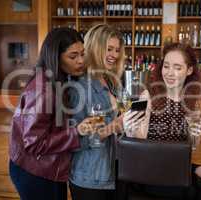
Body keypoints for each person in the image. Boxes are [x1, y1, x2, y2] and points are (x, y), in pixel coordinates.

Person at [123, 42, 201, 200]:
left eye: (177, 68)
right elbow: (139, 139)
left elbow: (194, 147)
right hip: (151, 166)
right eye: (166, 66)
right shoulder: (147, 95)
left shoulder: (193, 101)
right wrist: (130, 129)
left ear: (189, 70)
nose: (170, 73)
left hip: (178, 166)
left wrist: (194, 134)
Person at [9, 27, 93, 200]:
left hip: (47, 168)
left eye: (82, 54)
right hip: (35, 171)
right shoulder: (43, 90)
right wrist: (77, 132)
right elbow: (34, 144)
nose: (80, 61)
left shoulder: (58, 80)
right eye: (73, 56)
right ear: (55, 56)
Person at [68, 24, 126, 200]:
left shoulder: (110, 81)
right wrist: (114, 126)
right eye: (109, 49)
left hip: (114, 171)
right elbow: (76, 140)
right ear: (94, 48)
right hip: (90, 176)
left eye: (117, 50)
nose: (114, 55)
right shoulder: (80, 86)